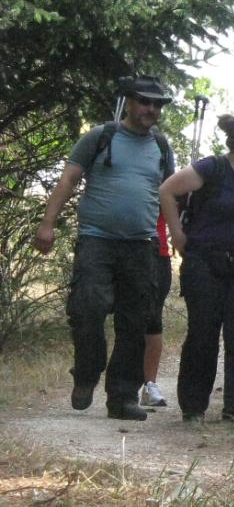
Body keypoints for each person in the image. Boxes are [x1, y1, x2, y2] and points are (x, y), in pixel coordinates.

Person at [35, 75, 176, 421]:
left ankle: (123, 397)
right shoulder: (101, 137)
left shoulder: (161, 146)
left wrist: (177, 234)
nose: (151, 109)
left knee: (134, 322)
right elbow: (68, 179)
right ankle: (86, 372)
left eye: (157, 104)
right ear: (128, 102)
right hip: (97, 240)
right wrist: (47, 224)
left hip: (141, 245)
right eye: (145, 102)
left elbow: (169, 194)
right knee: (87, 309)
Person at [160, 115, 234, 422]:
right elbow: (167, 190)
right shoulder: (210, 168)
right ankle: (193, 407)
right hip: (205, 263)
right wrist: (176, 234)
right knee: (203, 335)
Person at [139, 211, 172, 407]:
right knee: (129, 317)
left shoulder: (167, 179)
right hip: (125, 248)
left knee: (153, 318)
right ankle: (124, 384)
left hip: (158, 253)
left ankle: (149, 384)